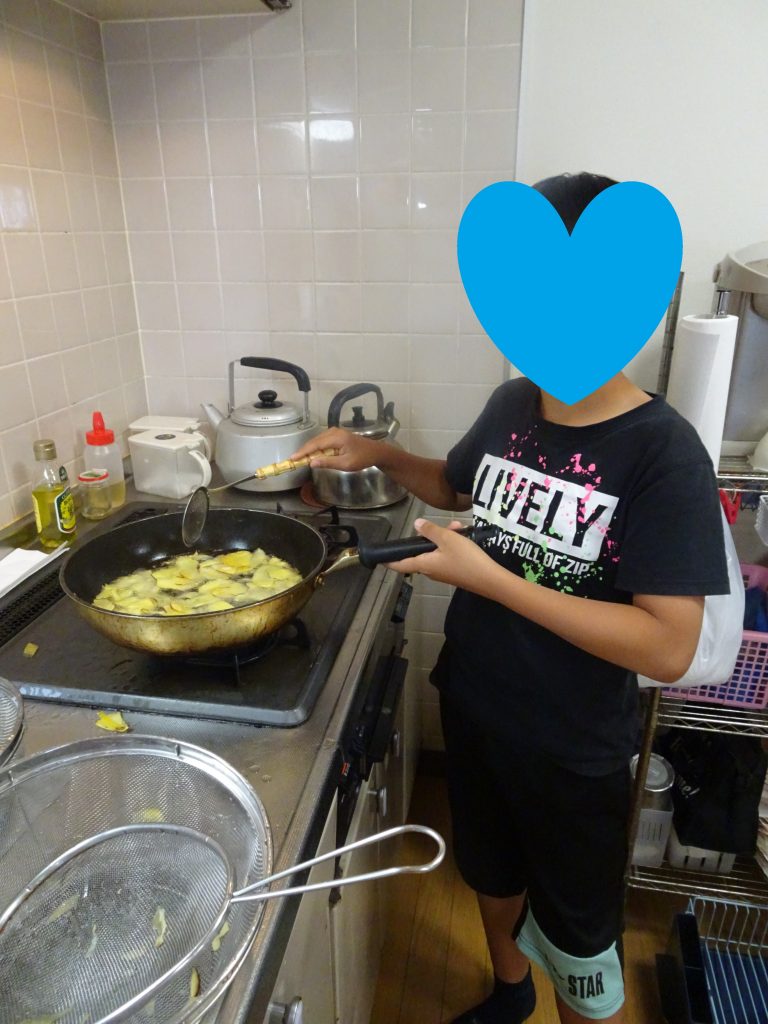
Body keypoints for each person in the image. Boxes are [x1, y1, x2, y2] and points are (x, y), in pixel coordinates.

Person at [291, 172, 729, 1024]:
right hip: (478, 704)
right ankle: (509, 989)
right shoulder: (513, 405)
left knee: (579, 933)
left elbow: (667, 645)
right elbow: (458, 489)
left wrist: (491, 579)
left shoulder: (663, 453)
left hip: (573, 747)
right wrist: (380, 455)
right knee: (490, 873)